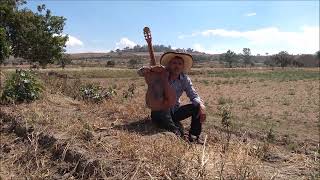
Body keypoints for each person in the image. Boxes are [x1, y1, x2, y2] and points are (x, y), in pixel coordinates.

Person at [138, 52, 206, 143]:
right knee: (163, 109)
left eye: (179, 64)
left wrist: (201, 105)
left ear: (182, 66)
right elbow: (140, 72)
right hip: (160, 112)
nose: (177, 66)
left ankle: (194, 135)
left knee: (196, 107)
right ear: (169, 65)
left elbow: (193, 95)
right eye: (174, 63)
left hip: (175, 111)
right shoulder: (160, 74)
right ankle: (177, 133)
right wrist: (150, 69)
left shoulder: (185, 79)